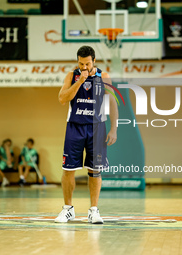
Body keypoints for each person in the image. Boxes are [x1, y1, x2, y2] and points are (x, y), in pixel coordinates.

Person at [55, 46, 118, 224]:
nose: (84, 67)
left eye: (87, 64)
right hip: (75, 127)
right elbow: (62, 98)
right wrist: (80, 82)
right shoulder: (71, 76)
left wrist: (114, 128)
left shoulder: (103, 77)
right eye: (81, 63)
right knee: (68, 170)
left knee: (95, 170)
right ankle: (68, 210)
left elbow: (112, 102)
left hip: (96, 128)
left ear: (94, 61)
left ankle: (94, 210)